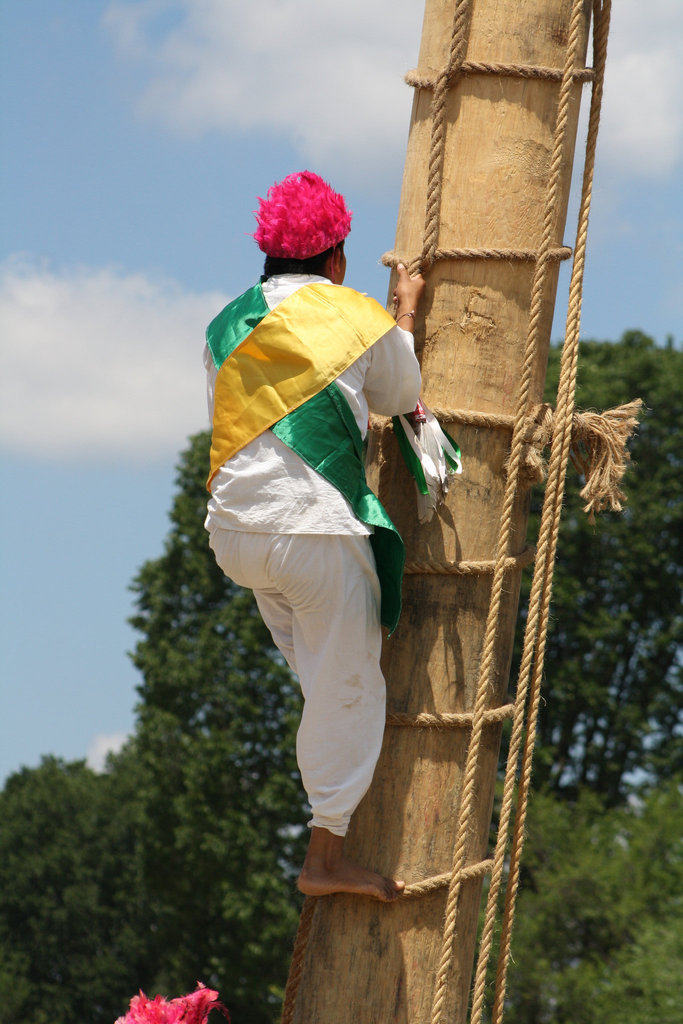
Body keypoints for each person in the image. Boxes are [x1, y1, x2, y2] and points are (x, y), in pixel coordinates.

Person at [204, 170, 424, 901]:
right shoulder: (354, 315)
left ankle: (331, 773)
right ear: (334, 260)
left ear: (267, 256)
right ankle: (324, 858)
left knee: (324, 681)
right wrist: (404, 316)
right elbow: (398, 395)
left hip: (237, 537)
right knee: (350, 689)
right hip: (314, 533)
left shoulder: (223, 326)